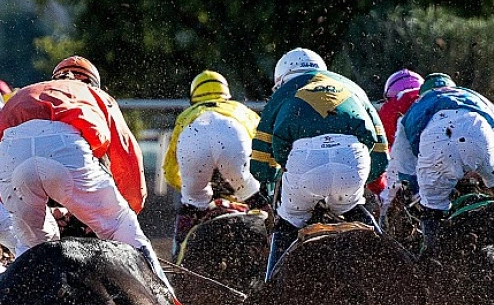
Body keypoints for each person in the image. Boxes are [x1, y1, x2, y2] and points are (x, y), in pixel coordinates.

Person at [0, 55, 188, 305]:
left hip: (10, 157)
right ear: (93, 82)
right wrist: (127, 210)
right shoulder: (94, 95)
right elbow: (126, 156)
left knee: (33, 251)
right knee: (123, 226)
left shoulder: (27, 93)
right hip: (66, 153)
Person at [252, 48, 389, 280]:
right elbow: (381, 153)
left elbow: (261, 164)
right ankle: (392, 269)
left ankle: (268, 291)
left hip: (304, 167)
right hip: (352, 161)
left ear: (281, 80)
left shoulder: (282, 94)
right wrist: (363, 180)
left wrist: (274, 175)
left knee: (287, 223)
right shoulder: (351, 87)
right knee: (355, 211)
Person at [387, 72, 494, 254]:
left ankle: (430, 258)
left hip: (436, 143)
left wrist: (420, 189)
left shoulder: (415, 108)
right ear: (452, 87)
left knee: (432, 209)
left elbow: (404, 171)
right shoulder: (472, 96)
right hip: (478, 132)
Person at [163, 69, 269, 258]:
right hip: (234, 140)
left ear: (194, 97)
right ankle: (273, 251)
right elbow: (266, 153)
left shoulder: (186, 115)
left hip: (194, 138)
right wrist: (255, 188)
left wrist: (193, 190)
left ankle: (177, 255)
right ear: (226, 95)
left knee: (191, 204)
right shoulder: (243, 111)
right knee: (258, 201)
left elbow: (170, 171)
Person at [377, 68, 424, 224]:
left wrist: (379, 188)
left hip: (410, 164)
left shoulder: (390, 107)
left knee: (387, 201)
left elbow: (382, 153)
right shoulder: (432, 96)